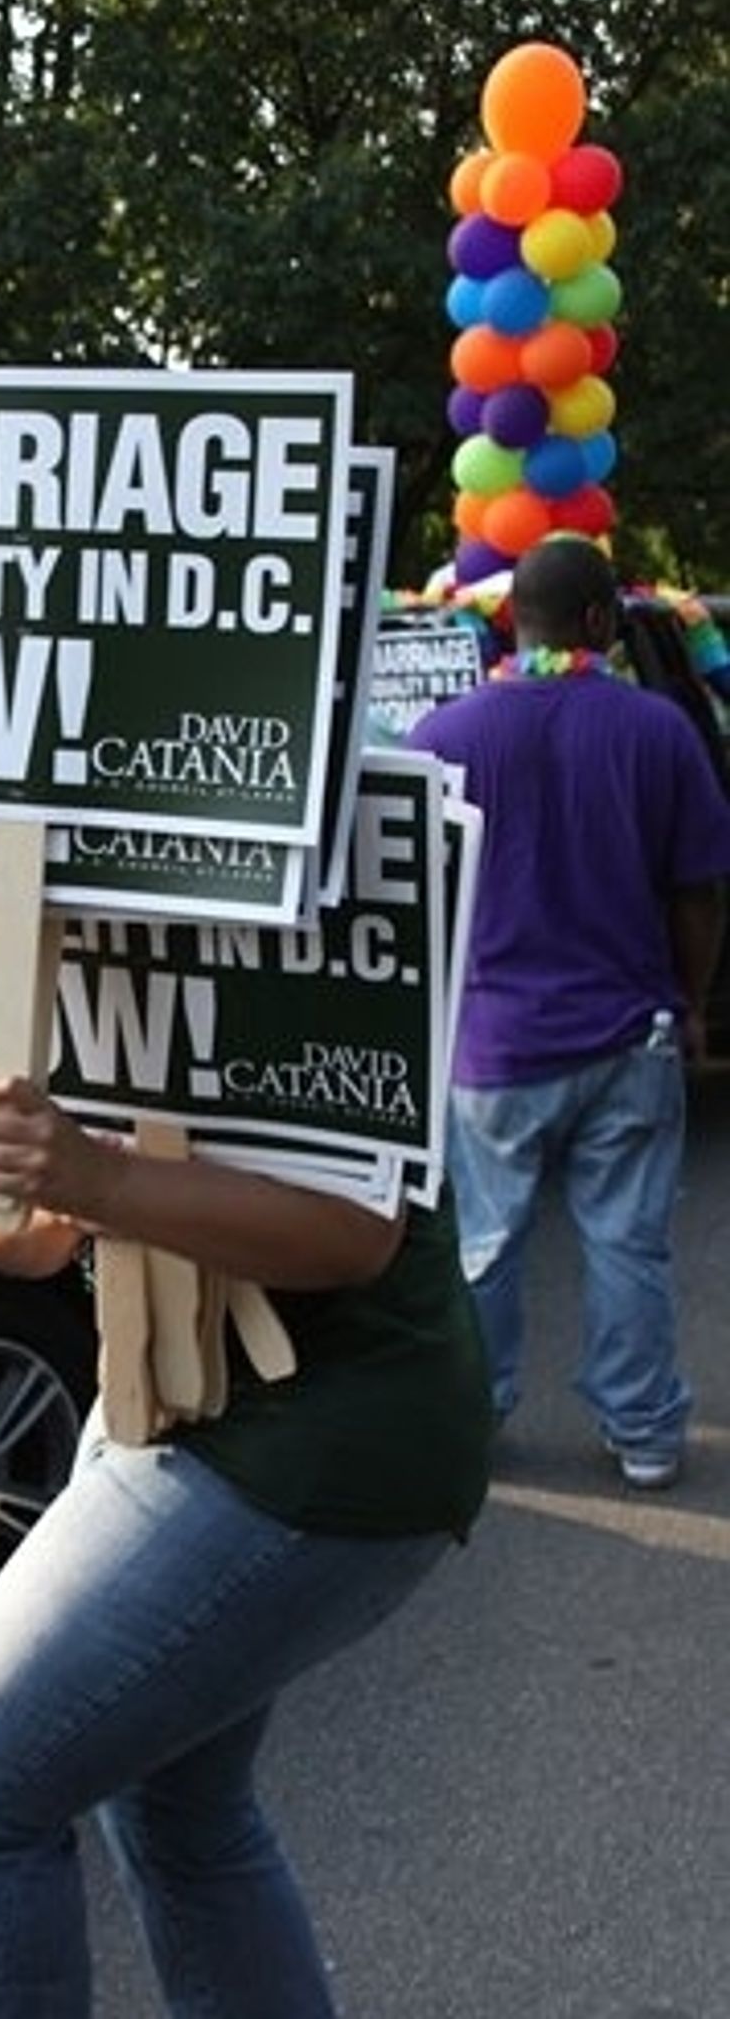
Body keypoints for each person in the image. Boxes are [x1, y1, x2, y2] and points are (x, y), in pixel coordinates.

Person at [0, 1077, 492, 2018]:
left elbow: (355, 1234)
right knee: (177, 1808)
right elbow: (15, 1239)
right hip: (158, 1384)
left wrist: (97, 1178)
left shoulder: (328, 943)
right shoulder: (41, 945)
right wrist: (36, 1170)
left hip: (327, 1422)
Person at [409, 534, 730, 1491]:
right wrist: (693, 1001)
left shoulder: (445, 737)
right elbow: (699, 890)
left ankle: (476, 1419)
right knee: (627, 1244)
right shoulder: (657, 731)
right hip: (630, 1033)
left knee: (486, 1248)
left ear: (515, 620)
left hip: (493, 1047)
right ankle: (644, 1435)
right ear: (601, 622)